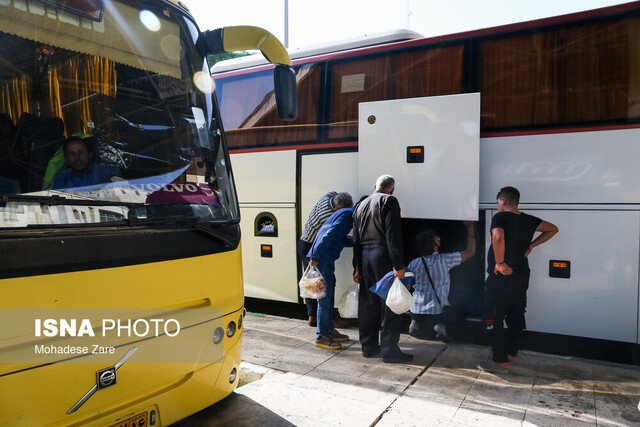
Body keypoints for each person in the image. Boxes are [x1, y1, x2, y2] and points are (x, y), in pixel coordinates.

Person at [478, 186, 558, 374]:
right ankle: (512, 353)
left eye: (497, 202)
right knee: (516, 315)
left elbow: (498, 236)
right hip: (522, 275)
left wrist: (500, 262)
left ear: (502, 201)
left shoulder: (500, 217)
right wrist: (532, 245)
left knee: (493, 317)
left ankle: (499, 361)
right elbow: (553, 229)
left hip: (501, 278)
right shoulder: (529, 220)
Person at [352, 174, 411, 363]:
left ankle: (368, 347)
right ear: (391, 189)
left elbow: (355, 239)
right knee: (390, 304)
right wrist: (398, 265)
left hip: (365, 257)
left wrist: (357, 266)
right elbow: (393, 236)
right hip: (383, 255)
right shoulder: (390, 201)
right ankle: (389, 351)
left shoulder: (361, 204)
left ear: (375, 186)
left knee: (367, 303)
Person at [407, 221, 476, 341]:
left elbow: (408, 286)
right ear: (435, 246)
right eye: (437, 238)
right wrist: (470, 226)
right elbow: (471, 252)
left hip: (415, 310)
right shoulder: (445, 260)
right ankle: (440, 327)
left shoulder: (413, 264)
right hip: (436, 313)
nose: (439, 238)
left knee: (418, 313)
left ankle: (414, 323)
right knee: (449, 314)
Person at [298, 191, 353, 327]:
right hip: (311, 245)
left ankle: (313, 316)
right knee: (322, 283)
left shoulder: (328, 196)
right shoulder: (328, 216)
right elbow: (328, 238)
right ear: (336, 209)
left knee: (312, 281)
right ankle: (325, 319)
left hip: (304, 241)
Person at [307, 200, 354, 350]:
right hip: (322, 260)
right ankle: (321, 336)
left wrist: (359, 241)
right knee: (324, 299)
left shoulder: (343, 213)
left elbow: (338, 238)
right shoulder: (348, 216)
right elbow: (329, 235)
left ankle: (328, 331)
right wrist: (316, 256)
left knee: (328, 297)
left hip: (324, 259)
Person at [53, 135, 118, 190]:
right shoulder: (61, 179)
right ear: (65, 158)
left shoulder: (103, 170)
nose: (77, 157)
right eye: (71, 153)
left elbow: (118, 182)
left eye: (81, 152)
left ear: (90, 155)